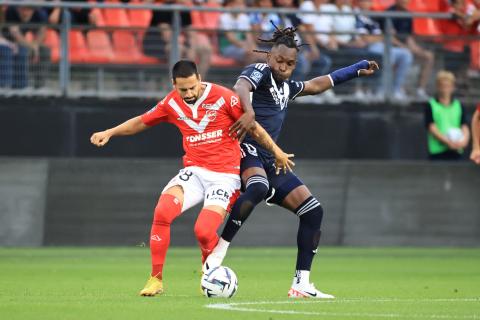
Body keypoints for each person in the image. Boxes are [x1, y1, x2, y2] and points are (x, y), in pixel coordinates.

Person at [90, 60, 293, 297]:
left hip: (225, 177)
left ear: (199, 78)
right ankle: (155, 279)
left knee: (203, 231)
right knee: (162, 211)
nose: (188, 93)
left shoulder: (224, 97)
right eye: (182, 89)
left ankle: (209, 274)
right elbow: (141, 122)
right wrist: (109, 132)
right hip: (194, 172)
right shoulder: (170, 103)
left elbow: (253, 127)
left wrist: (277, 151)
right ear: (173, 84)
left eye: (192, 87)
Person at [203, 25, 378, 298]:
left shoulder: (287, 87)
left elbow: (317, 85)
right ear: (270, 57)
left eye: (290, 63)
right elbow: (240, 86)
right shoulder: (259, 71)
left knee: (313, 211)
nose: (284, 66)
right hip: (245, 150)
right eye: (280, 61)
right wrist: (248, 112)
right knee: (258, 187)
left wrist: (355, 69)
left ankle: (301, 284)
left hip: (271, 158)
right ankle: (218, 251)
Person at [356, 0, 412, 102]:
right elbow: (366, 39)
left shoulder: (373, 17)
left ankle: (397, 90)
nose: (366, 3)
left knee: (406, 55)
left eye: (368, 1)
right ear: (359, 3)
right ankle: (381, 90)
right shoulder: (357, 16)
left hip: (382, 45)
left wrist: (384, 37)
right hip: (370, 47)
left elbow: (385, 35)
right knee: (389, 55)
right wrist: (383, 37)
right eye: (363, 1)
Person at [385, 0, 435, 100]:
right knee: (404, 54)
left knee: (428, 56)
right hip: (391, 48)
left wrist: (417, 49)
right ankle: (397, 89)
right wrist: (404, 47)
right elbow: (389, 37)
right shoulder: (389, 13)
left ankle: (420, 90)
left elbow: (409, 38)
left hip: (405, 46)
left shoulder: (408, 14)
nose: (405, 1)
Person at [424, 70, 470, 161]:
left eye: (448, 86)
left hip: (456, 151)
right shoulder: (431, 105)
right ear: (438, 87)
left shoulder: (458, 105)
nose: (445, 89)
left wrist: (464, 141)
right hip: (437, 152)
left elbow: (464, 126)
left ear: (453, 87)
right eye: (442, 86)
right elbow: (432, 127)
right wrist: (447, 142)